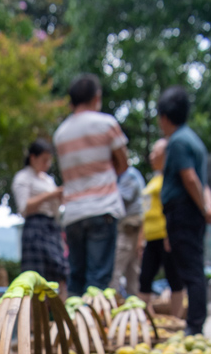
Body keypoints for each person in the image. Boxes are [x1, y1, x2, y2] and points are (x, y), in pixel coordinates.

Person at [53, 73, 128, 295]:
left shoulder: (60, 134)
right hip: (102, 208)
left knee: (76, 277)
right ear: (97, 97)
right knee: (98, 279)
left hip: (73, 213)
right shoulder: (106, 124)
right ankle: (91, 327)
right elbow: (123, 164)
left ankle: (73, 327)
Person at [158, 86, 211, 335]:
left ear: (163, 117)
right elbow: (202, 183)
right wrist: (208, 206)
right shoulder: (194, 140)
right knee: (191, 268)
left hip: (183, 212)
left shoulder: (177, 142)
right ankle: (194, 324)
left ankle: (194, 326)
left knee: (192, 271)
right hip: (190, 212)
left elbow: (190, 178)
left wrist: (205, 208)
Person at [11, 138, 67, 297]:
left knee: (60, 271)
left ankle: (62, 316)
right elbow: (24, 207)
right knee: (35, 275)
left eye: (49, 160)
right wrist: (50, 195)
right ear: (32, 158)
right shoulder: (23, 178)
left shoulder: (47, 179)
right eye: (44, 160)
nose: (47, 164)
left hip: (52, 226)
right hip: (35, 226)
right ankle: (33, 319)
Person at [138, 138, 184, 318]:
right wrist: (140, 239)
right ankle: (147, 321)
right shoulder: (153, 180)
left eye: (155, 152)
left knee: (174, 278)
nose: (151, 156)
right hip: (151, 237)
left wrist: (170, 234)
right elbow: (145, 212)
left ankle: (176, 320)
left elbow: (172, 207)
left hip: (166, 236)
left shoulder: (171, 177)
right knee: (144, 280)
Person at [110, 162, 145, 296]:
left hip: (129, 229)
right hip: (133, 229)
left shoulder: (128, 175)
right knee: (133, 274)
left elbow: (121, 201)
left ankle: (111, 306)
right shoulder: (131, 174)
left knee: (116, 272)